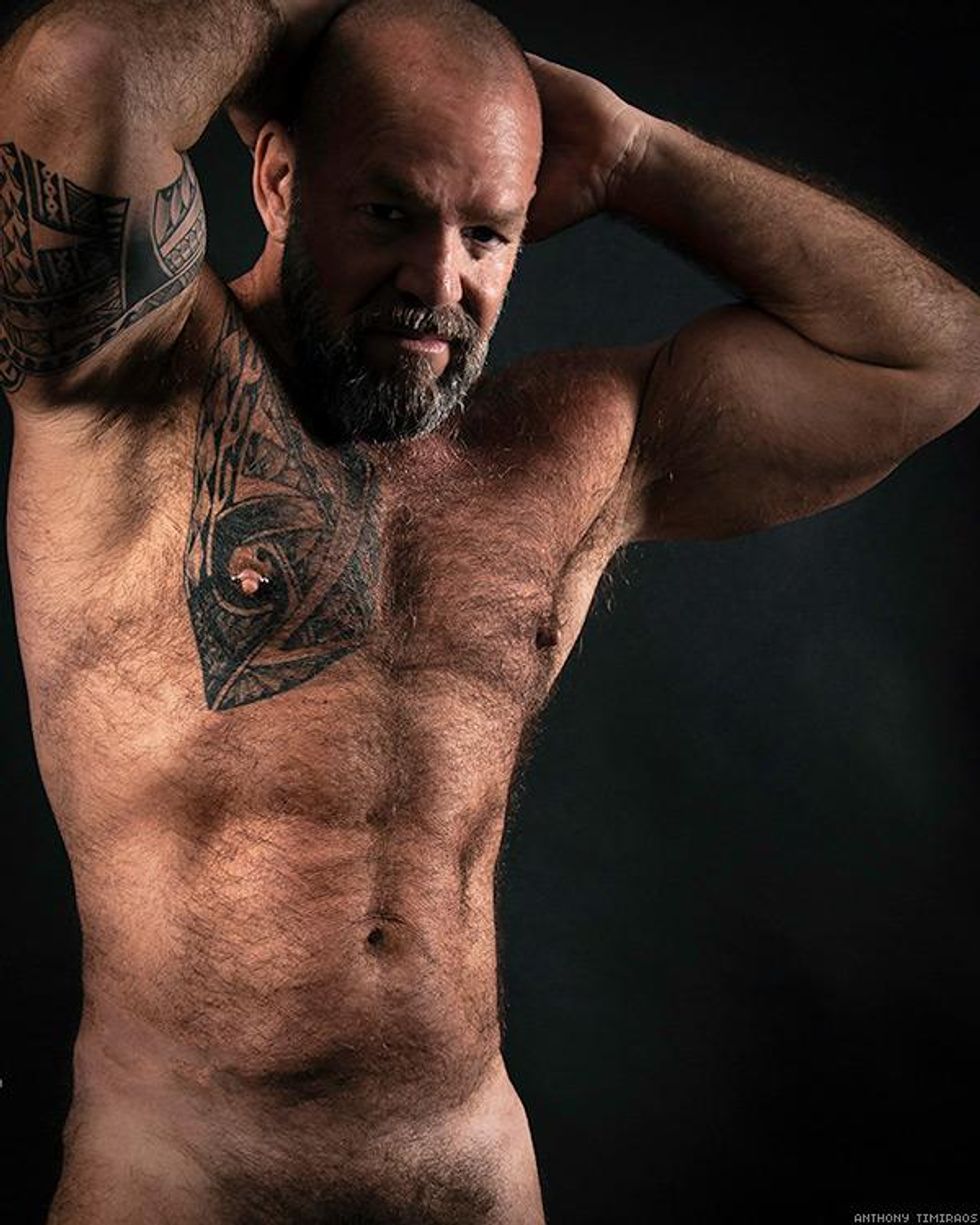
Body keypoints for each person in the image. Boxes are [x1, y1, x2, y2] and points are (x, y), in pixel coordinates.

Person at [2, 0, 978, 1220]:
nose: (438, 283)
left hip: (469, 1180)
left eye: (486, 234)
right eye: (389, 214)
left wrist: (633, 158)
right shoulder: (129, 378)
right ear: (280, 178)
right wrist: (290, 28)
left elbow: (934, 357)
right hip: (180, 1181)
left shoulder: (565, 452)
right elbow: (84, 64)